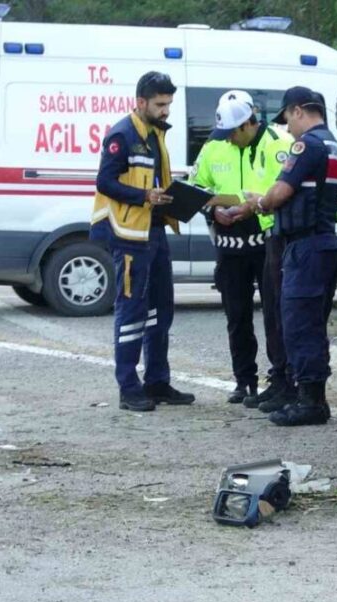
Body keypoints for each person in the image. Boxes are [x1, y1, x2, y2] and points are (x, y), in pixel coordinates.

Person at [230, 86, 337, 427]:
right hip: (324, 242)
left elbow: (281, 191)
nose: (286, 128)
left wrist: (259, 202)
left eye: (287, 120)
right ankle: (310, 397)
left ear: (298, 111)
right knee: (312, 321)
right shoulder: (335, 146)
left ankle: (311, 402)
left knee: (299, 323)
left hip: (305, 245)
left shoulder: (307, 145)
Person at [90, 71, 195, 412]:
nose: (166, 111)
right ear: (141, 102)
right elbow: (105, 182)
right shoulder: (122, 134)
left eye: (168, 104)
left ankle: (157, 381)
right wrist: (145, 196)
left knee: (160, 310)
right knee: (132, 311)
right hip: (129, 234)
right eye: (161, 104)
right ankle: (128, 387)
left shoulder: (154, 133)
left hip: (154, 230)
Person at [191, 91, 292, 404]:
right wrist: (211, 210)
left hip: (267, 242)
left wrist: (253, 207)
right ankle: (244, 380)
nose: (229, 140)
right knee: (236, 315)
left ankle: (281, 379)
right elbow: (197, 186)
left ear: (250, 123)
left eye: (233, 133)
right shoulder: (213, 147)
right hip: (229, 245)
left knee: (276, 315)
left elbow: (285, 190)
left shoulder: (278, 142)